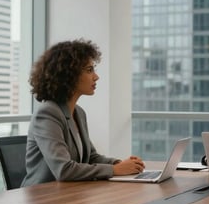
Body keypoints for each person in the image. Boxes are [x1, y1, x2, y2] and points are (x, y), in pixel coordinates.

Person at [22, 39, 145, 186]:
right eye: (89, 70)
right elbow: (64, 169)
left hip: (70, 193)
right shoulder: (48, 113)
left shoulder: (79, 113)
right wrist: (114, 169)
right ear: (69, 75)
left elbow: (91, 157)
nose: (96, 76)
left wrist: (121, 164)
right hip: (42, 198)